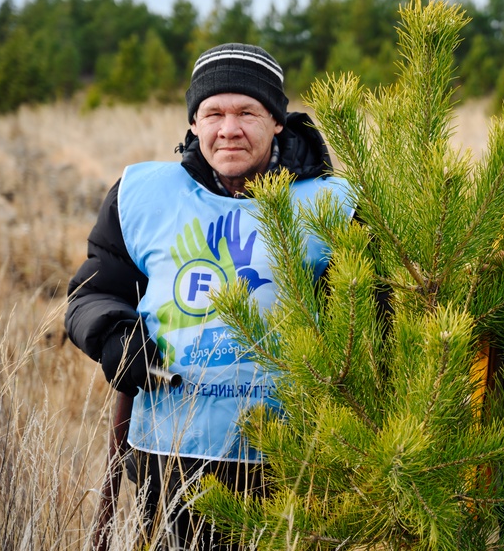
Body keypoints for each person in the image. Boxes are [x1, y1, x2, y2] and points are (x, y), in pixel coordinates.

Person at [65, 42, 352, 549]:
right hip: (169, 454)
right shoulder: (145, 194)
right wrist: (114, 336)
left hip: (292, 462)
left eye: (247, 112)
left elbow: (370, 316)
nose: (229, 129)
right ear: (194, 122)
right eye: (213, 113)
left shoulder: (331, 204)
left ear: (278, 121)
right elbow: (94, 290)